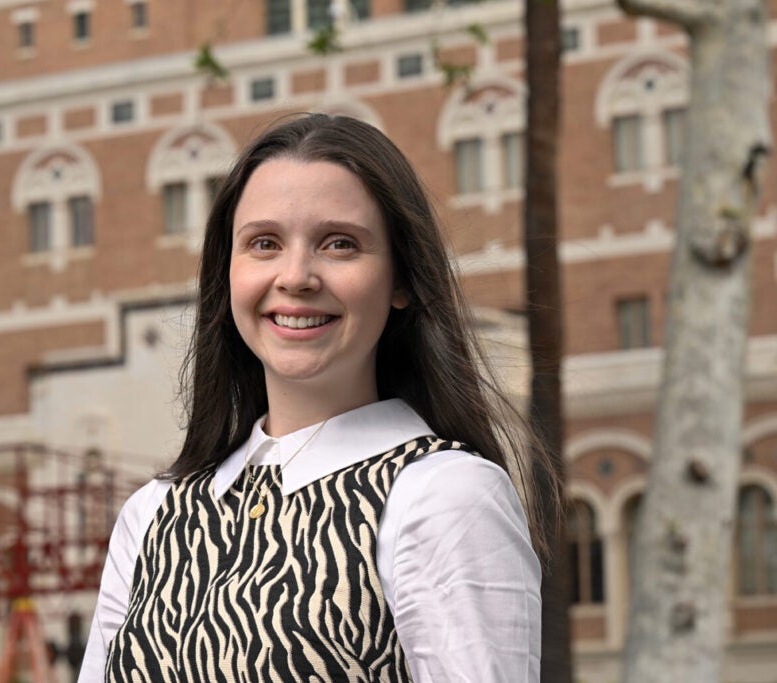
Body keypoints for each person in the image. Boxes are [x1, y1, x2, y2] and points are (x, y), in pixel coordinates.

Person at [78, 113, 556, 682]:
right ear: (226, 273)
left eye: (340, 244)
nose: (297, 275)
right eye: (264, 243)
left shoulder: (444, 495)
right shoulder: (153, 515)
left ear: (402, 279)